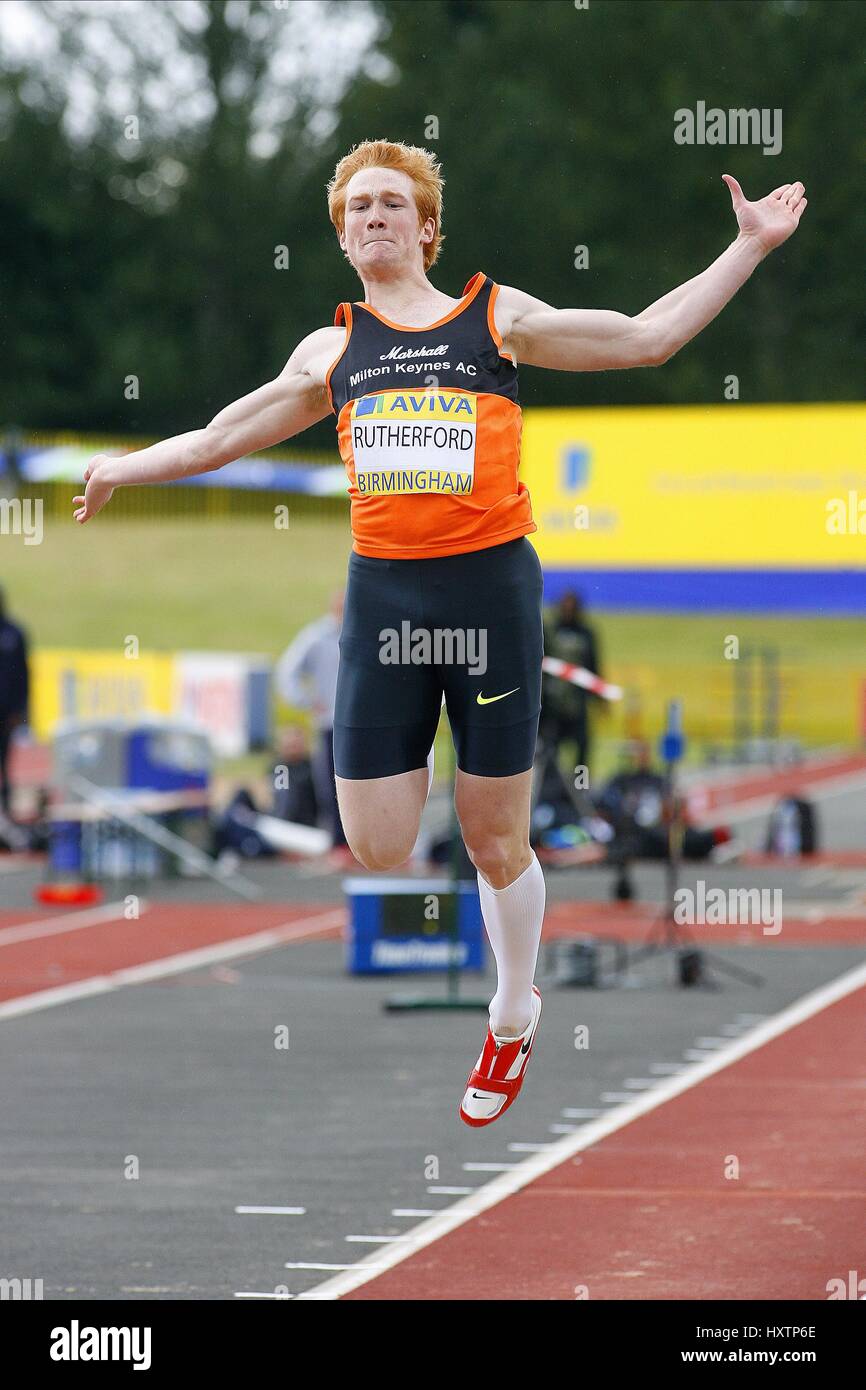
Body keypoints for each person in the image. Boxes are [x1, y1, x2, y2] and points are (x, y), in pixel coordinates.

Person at [72, 140, 808, 1126]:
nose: (371, 217)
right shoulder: (328, 352)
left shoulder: (493, 318)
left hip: (491, 595)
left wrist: (747, 247)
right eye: (356, 209)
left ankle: (512, 1009)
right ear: (340, 237)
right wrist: (123, 467)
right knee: (375, 845)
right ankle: (456, 856)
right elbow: (213, 438)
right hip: (383, 600)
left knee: (490, 833)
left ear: (425, 227)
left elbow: (643, 339)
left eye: (390, 204)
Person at [273, 590, 347, 848]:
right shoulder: (317, 637)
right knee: (333, 782)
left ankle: (361, 844)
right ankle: (339, 842)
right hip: (330, 721)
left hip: (364, 724)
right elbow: (287, 670)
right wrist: (305, 700)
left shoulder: (367, 632)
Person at [540, 590, 601, 776]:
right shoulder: (550, 632)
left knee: (583, 745)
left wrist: (597, 694)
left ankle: (580, 785)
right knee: (549, 749)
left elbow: (593, 664)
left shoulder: (586, 633)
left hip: (577, 702)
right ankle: (551, 786)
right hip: (553, 704)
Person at [0, 587, 30, 820]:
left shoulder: (13, 634)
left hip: (5, 711)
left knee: (4, 764)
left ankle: (5, 812)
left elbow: (23, 674)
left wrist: (20, 709)